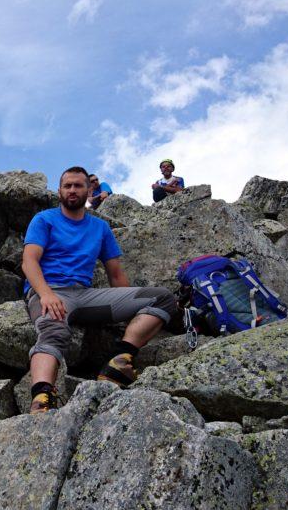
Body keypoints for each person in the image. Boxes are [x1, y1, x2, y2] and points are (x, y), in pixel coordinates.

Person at [22, 166, 178, 414]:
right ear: (60, 190)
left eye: (78, 185)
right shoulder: (44, 219)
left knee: (163, 298)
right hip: (51, 290)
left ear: (88, 190)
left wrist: (128, 306)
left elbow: (115, 273)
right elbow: (29, 261)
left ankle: (119, 360)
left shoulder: (100, 228)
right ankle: (42, 398)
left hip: (86, 295)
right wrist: (46, 294)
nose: (72, 190)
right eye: (67, 186)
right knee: (54, 330)